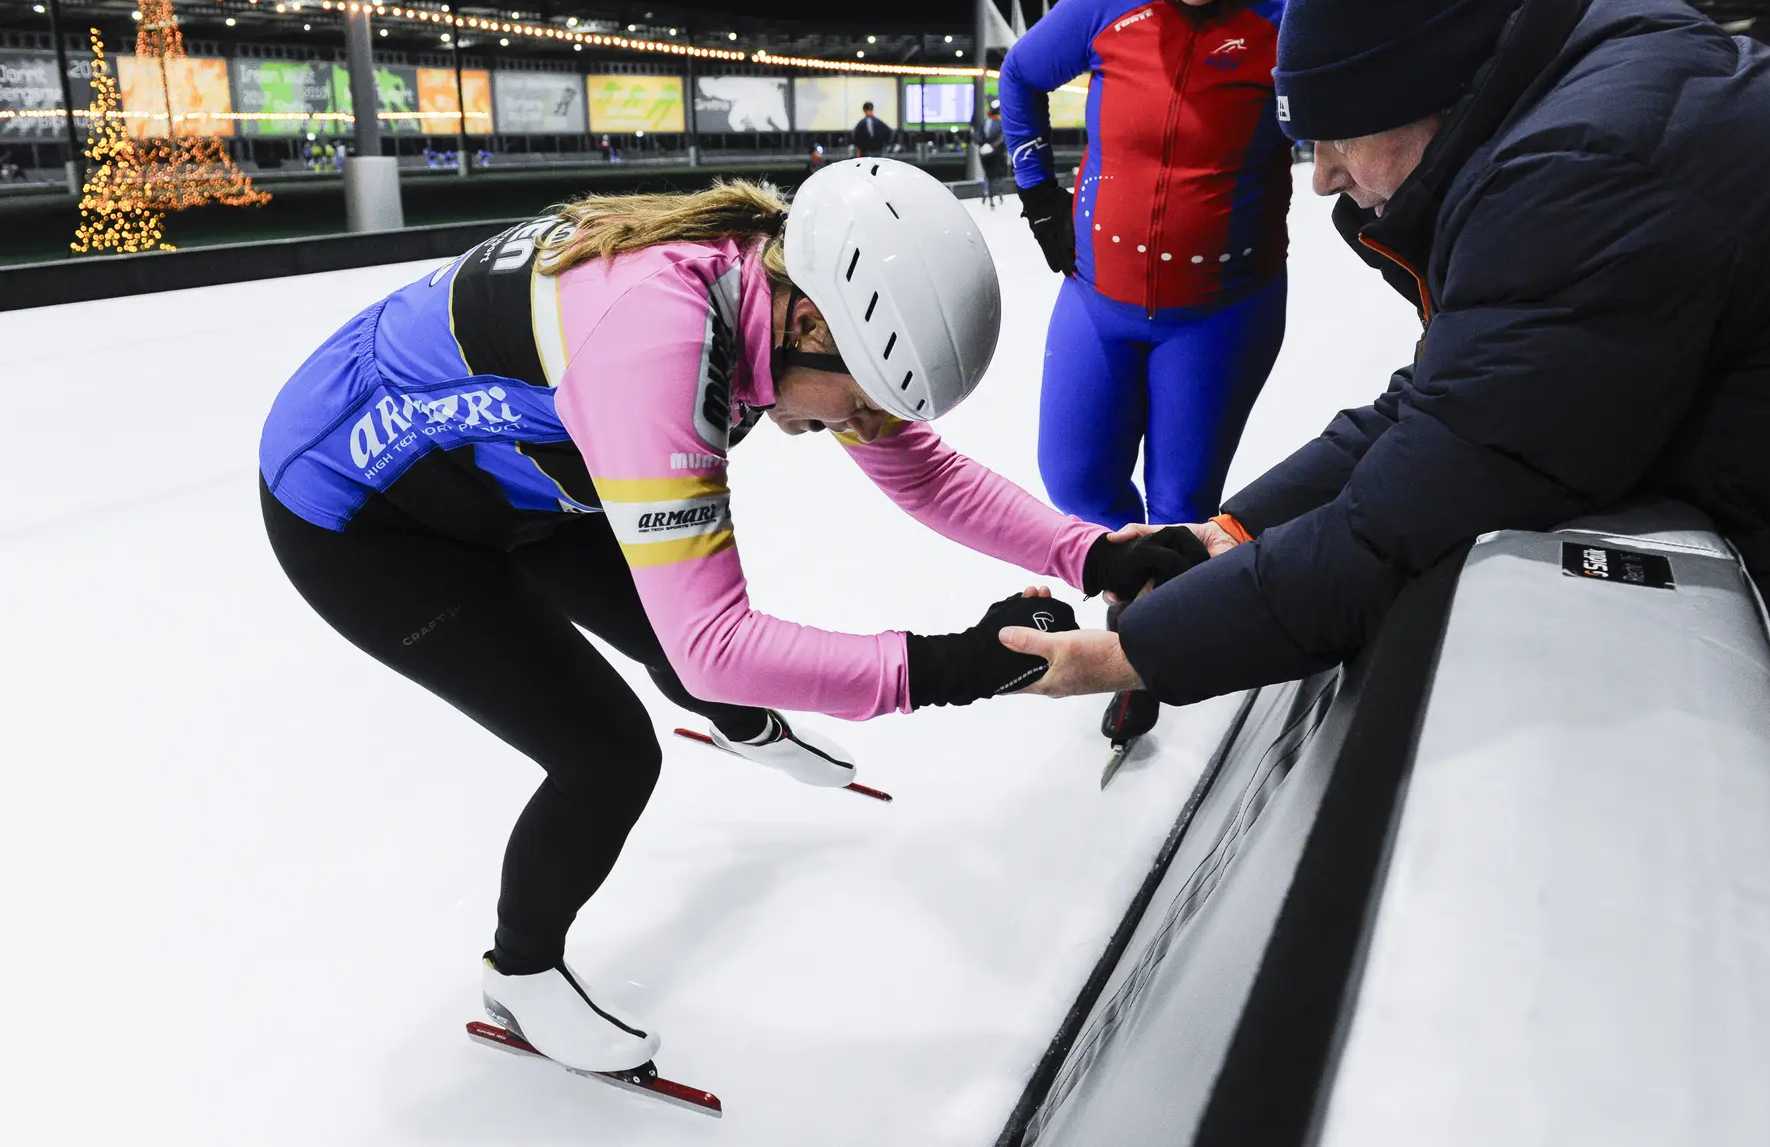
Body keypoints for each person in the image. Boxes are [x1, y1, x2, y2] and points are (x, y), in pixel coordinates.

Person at [1002, 0, 1770, 969]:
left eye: (1338, 133)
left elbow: (1413, 511)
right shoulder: (1582, 91)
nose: (1329, 177)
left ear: (1423, 92)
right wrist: (1224, 536)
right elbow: (1438, 400)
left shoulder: (1588, 172)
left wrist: (1126, 652)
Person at [258, 158, 1206, 1075]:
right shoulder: (656, 348)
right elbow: (715, 645)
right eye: (863, 398)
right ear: (807, 321)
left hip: (510, 467)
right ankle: (520, 970)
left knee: (681, 638)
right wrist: (961, 666)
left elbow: (920, 469)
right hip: (360, 518)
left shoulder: (780, 271)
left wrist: (1093, 551)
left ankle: (744, 722)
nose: (860, 421)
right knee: (608, 751)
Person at [996, 0, 1293, 748]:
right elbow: (1018, 76)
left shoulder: (1289, 18)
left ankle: (1145, 654)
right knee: (1077, 484)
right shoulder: (1110, 0)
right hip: (1098, 301)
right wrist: (1037, 195)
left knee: (1177, 507)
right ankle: (1141, 595)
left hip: (1219, 314)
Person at [977, 96, 1006, 208]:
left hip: (989, 153)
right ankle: (993, 195)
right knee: (993, 175)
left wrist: (986, 146)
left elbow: (978, 136)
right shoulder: (998, 124)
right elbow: (1002, 138)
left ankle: (991, 194)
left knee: (990, 175)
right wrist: (990, 146)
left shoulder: (986, 123)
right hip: (992, 154)